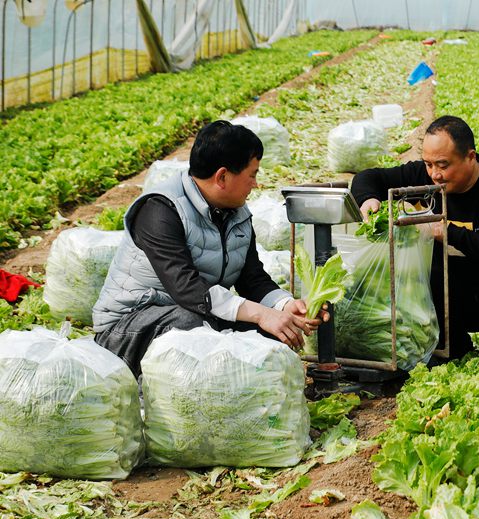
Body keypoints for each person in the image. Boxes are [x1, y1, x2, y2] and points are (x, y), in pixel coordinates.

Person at [93, 121, 324, 376]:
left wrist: (284, 306)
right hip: (127, 330)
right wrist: (261, 314)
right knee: (192, 326)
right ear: (222, 176)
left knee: (271, 334)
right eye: (253, 175)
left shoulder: (237, 214)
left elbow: (252, 279)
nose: (255, 184)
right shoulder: (160, 210)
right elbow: (187, 289)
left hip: (199, 314)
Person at [350, 115, 479, 371]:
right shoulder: (423, 177)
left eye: (443, 165)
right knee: (425, 306)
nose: (435, 174)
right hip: (447, 288)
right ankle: (455, 349)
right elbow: (367, 178)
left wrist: (444, 231)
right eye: (429, 164)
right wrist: (368, 199)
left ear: (470, 157)